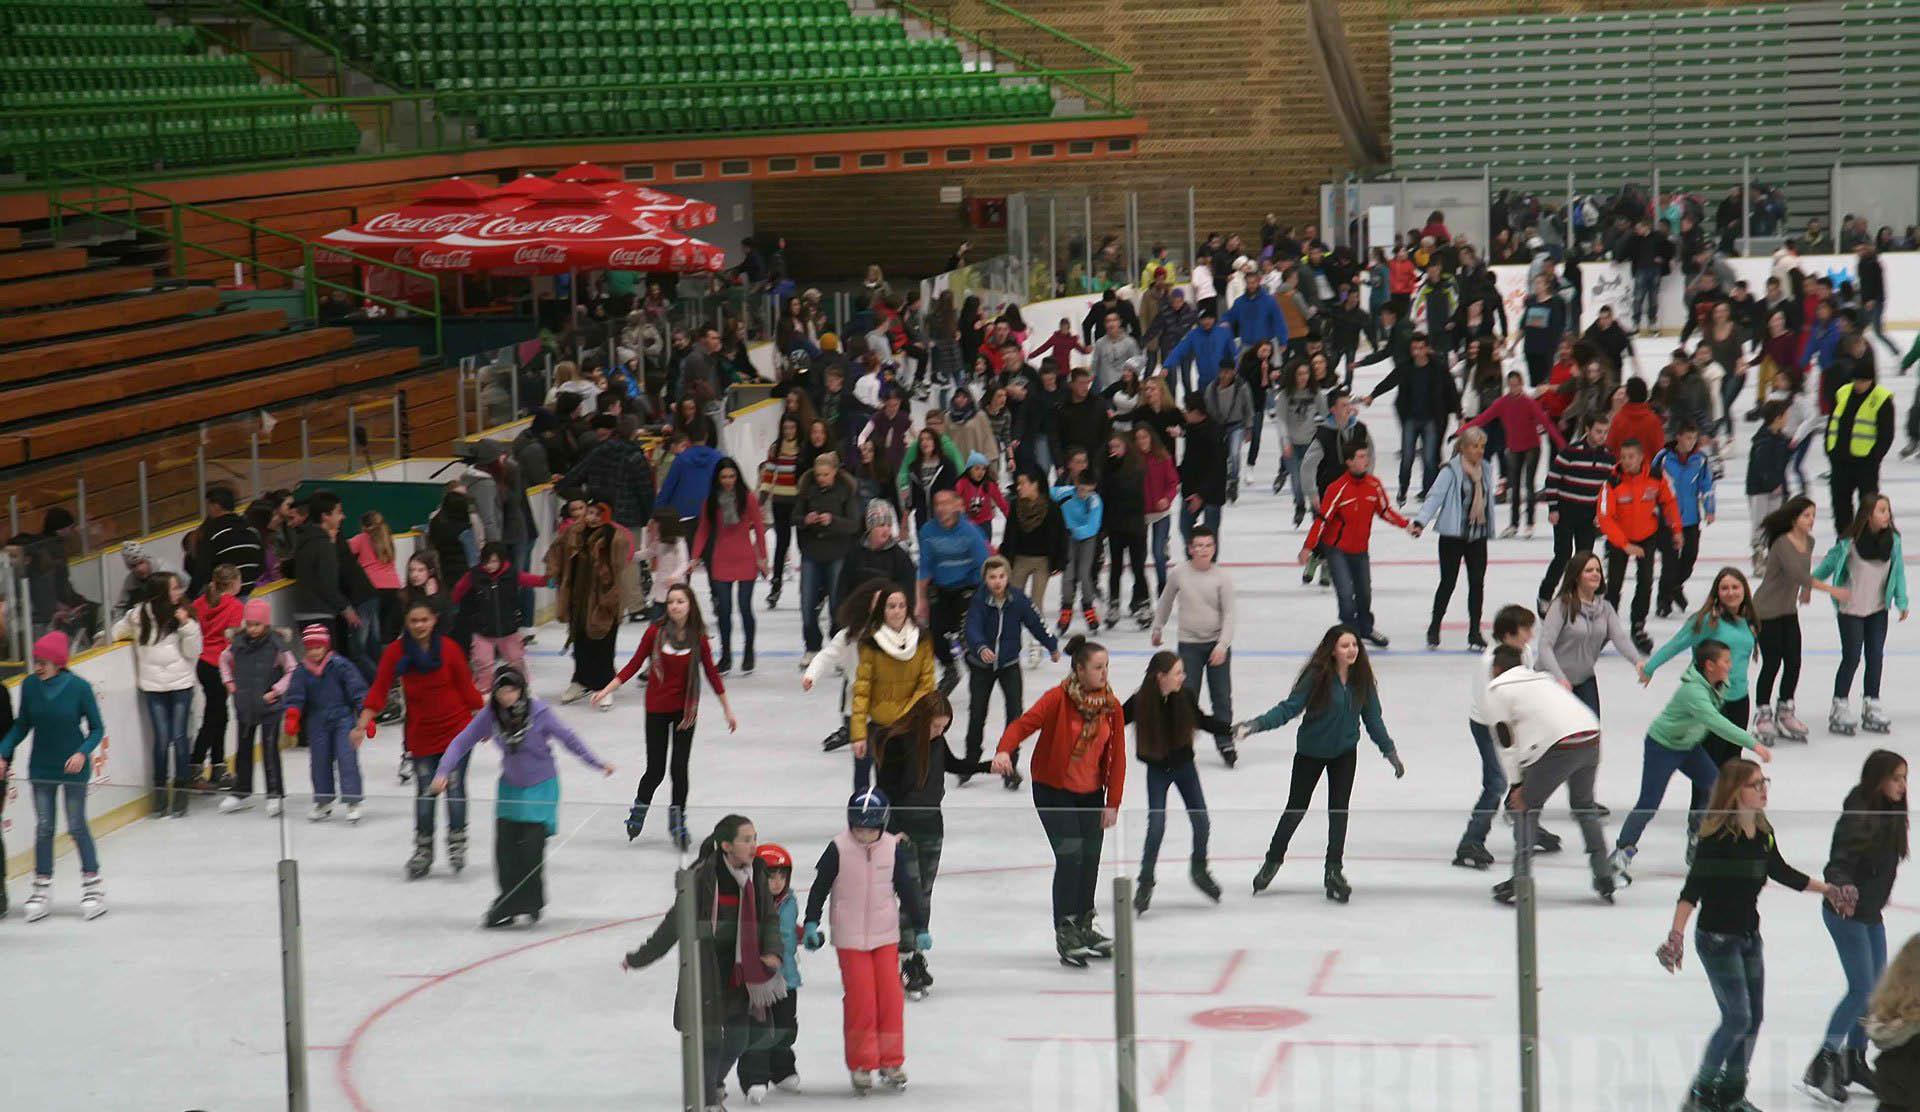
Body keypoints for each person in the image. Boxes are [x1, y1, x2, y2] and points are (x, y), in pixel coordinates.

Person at [1659, 760, 1844, 1112]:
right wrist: (1676, 937)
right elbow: (1691, 891)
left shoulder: (1762, 833)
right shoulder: (1716, 840)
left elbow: (1782, 871)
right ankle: (1700, 1094)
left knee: (1753, 1017)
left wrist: (1828, 890)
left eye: (1764, 782)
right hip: (1716, 939)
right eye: (1755, 784)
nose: (1763, 789)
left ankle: (1730, 1094)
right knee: (1737, 1018)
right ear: (1734, 793)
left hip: (1747, 936)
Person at [622, 815, 788, 1112]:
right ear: (726, 845)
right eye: (746, 839)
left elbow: (769, 920)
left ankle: (710, 1084)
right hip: (707, 972)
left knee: (739, 1039)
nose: (753, 845)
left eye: (755, 837)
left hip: (742, 972)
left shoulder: (756, 875)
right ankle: (708, 1100)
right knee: (710, 1040)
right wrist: (640, 957)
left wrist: (774, 950)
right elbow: (675, 924)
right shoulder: (701, 878)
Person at [1235, 624, 1404, 902]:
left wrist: (1390, 752)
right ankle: (1273, 860)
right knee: (1296, 809)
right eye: (1344, 646)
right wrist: (1254, 725)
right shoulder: (1317, 676)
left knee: (1339, 813)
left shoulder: (1362, 678)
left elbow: (1373, 718)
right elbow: (1288, 708)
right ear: (1332, 650)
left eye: (1354, 645)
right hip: (1311, 753)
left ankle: (1333, 871)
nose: (1351, 650)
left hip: (1344, 754)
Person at [438, 668, 613, 928]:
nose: (506, 697)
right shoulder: (491, 715)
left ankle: (524, 902)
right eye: (501, 691)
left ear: (521, 690)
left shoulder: (539, 712)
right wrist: (443, 770)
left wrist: (597, 763)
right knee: (505, 852)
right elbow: (461, 742)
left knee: (531, 851)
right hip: (510, 789)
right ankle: (513, 901)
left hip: (541, 788)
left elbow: (569, 739)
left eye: (511, 690)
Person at [992, 635, 1127, 968]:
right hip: (1054, 790)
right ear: (1079, 669)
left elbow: (1118, 756)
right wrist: (1003, 750)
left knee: (1091, 858)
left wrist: (1114, 800)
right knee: (1071, 857)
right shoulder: (1057, 699)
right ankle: (1065, 927)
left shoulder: (1111, 707)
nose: (1104, 673)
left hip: (1092, 793)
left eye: (1106, 666)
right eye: (1097, 667)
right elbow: (1022, 725)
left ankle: (1085, 922)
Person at [1610, 641, 1772, 883]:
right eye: (1725, 661)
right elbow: (1716, 722)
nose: (1730, 665)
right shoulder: (1693, 692)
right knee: (1649, 803)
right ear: (1709, 665)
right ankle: (1621, 854)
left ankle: (1699, 837)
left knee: (1715, 787)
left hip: (1688, 746)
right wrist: (1753, 744)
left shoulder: (1720, 684)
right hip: (1662, 747)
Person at [800, 790, 927, 1095]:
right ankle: (861, 1063)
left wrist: (920, 925)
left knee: (891, 997)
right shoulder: (838, 848)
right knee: (861, 1000)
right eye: (859, 828)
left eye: (870, 829)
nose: (864, 834)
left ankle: (891, 1061)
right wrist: (812, 922)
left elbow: (908, 890)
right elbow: (819, 888)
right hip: (850, 936)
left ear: (882, 826)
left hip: (885, 935)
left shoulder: (892, 848)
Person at [1801, 749, 1909, 1101]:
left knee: (1876, 992)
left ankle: (1854, 1059)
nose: (1902, 785)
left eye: (1905, 778)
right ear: (1877, 779)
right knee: (1861, 988)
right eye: (1896, 778)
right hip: (1844, 913)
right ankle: (1823, 1063)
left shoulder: (1891, 811)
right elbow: (1838, 861)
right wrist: (1842, 886)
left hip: (1870, 912)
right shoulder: (1859, 814)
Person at [599, 583, 736, 849]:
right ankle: (639, 810)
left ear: (690, 605)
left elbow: (711, 673)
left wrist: (727, 709)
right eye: (671, 601)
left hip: (686, 711)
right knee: (656, 769)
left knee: (679, 768)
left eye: (680, 601)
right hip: (657, 709)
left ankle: (677, 820)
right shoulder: (655, 632)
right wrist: (608, 688)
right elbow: (635, 664)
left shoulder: (698, 637)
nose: (674, 606)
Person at [1481, 641, 1615, 905]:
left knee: (1525, 808)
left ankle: (1521, 880)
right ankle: (1603, 874)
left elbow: (1506, 741)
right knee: (1584, 805)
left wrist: (1517, 785)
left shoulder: (1497, 690)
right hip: (1590, 734)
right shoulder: (1542, 679)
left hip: (1558, 746)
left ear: (1496, 668)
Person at [869, 694, 984, 999]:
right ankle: (905, 957)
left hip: (933, 825)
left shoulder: (936, 742)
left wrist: (988, 767)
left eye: (944, 728)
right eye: (935, 726)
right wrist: (891, 830)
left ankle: (916, 954)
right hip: (903, 829)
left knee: (923, 894)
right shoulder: (897, 742)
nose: (939, 732)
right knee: (909, 892)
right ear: (922, 720)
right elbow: (885, 789)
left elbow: (954, 764)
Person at [360, 600, 484, 875]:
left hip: (457, 732)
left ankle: (457, 843)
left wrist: (484, 722)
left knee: (454, 788)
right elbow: (379, 688)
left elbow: (467, 688)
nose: (419, 626)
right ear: (407, 622)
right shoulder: (396, 652)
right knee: (426, 792)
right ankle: (423, 849)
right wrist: (362, 723)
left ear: (434, 620)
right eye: (414, 621)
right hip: (422, 734)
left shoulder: (450, 650)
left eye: (424, 620)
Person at [0, 632, 105, 922]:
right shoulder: (31, 686)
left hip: (73, 767)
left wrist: (83, 752)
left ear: (58, 662)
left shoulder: (79, 688)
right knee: (44, 827)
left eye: (43, 661)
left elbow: (97, 728)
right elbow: (23, 724)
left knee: (76, 825)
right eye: (35, 661)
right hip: (41, 768)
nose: (37, 666)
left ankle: (92, 884)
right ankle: (42, 887)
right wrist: (3, 751)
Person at [1124, 651, 1230, 914]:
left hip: (1185, 768)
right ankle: (1145, 881)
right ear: (1161, 677)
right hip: (1158, 771)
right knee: (1157, 825)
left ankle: (1199, 868)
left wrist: (1230, 729)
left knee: (1201, 821)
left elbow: (1202, 720)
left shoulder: (1185, 696)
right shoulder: (1140, 701)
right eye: (1177, 673)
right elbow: (1113, 722)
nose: (1183, 677)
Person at [1640, 568, 1761, 766]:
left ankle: (1726, 798)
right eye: (1724, 588)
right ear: (1717, 593)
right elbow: (1677, 643)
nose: (1730, 592)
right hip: (1712, 701)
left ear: (1744, 590)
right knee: (1709, 766)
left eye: (1735, 587)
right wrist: (1650, 667)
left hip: (1740, 699)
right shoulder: (1708, 620)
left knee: (1732, 762)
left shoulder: (1748, 619)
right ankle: (1704, 799)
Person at [1752, 496, 1849, 743]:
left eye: (1813, 515)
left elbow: (1801, 572)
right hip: (1766, 610)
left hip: (1787, 610)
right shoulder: (1782, 543)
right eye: (1806, 515)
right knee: (1772, 662)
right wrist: (1832, 590)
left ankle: (1785, 710)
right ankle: (1763, 713)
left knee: (1794, 661)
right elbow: (1798, 574)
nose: (1811, 520)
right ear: (1794, 518)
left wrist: (1804, 591)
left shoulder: (1810, 541)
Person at [1301, 442, 1412, 649]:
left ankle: (1366, 629)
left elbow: (1385, 511)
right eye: (1360, 457)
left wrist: (1406, 525)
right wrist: (1308, 547)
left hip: (1360, 550)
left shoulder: (1374, 485)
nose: (1365, 461)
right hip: (1337, 550)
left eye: (1366, 456)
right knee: (1345, 594)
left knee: (1364, 593)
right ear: (1349, 462)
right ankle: (1350, 633)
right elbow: (1323, 519)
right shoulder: (1337, 488)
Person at [1816, 492, 1908, 735]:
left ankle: (1871, 701)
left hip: (1878, 609)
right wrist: (1808, 583)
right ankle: (1840, 704)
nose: (1887, 514)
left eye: (1887, 510)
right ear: (1867, 516)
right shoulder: (1850, 543)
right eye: (1881, 510)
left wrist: (1901, 600)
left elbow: (1897, 572)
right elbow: (1828, 565)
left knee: (1875, 656)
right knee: (1852, 657)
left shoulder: (1893, 541)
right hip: (1851, 610)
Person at [113, 572, 202, 818]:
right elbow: (116, 632)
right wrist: (103, 640)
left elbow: (194, 651)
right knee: (162, 740)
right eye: (174, 588)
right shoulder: (138, 616)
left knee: (179, 736)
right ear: (161, 592)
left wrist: (186, 626)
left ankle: (182, 791)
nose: (179, 592)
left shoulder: (184, 614)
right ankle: (161, 793)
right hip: (153, 688)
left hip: (181, 685)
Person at [1150, 525, 1237, 766]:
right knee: (1185, 696)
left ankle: (1225, 740)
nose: (1203, 550)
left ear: (1214, 548)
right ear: (1190, 548)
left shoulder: (1222, 577)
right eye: (1198, 546)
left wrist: (1222, 645)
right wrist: (1158, 627)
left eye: (1208, 545)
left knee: (1221, 696)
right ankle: (1181, 741)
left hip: (1215, 644)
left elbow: (1230, 614)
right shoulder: (1180, 574)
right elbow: (1166, 600)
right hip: (1189, 644)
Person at [962, 556, 1058, 770]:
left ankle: (1010, 763)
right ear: (985, 579)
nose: (997, 581)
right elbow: (972, 628)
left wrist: (1051, 644)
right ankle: (971, 759)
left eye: (1002, 576)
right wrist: (981, 647)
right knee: (977, 713)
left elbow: (1036, 622)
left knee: (1015, 715)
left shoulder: (1018, 600)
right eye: (992, 577)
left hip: (1009, 664)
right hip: (981, 666)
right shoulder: (979, 600)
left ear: (1008, 577)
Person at [1410, 427, 1495, 650]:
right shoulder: (1451, 470)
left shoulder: (1485, 469)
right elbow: (1434, 497)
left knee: (1477, 583)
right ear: (1464, 448)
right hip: (1453, 535)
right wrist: (1420, 521)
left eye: (1482, 447)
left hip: (1477, 534)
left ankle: (1475, 631)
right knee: (1448, 582)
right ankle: (1435, 626)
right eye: (1475, 446)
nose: (1479, 451)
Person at [1597, 438, 1682, 654]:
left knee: (1645, 582)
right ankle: (1607, 628)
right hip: (1620, 539)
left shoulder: (1656, 476)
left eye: (1631, 457)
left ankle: (1638, 626)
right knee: (1613, 585)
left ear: (1641, 457)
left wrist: (1677, 529)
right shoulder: (1612, 482)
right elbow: (1605, 517)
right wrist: (1624, 544)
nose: (1626, 461)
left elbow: (1669, 502)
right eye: (1623, 457)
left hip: (1647, 537)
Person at [1536, 551, 1645, 719]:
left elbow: (1620, 639)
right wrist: (1559, 678)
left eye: (1598, 570)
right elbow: (1545, 646)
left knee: (1591, 732)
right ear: (1576, 576)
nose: (1595, 574)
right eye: (1588, 570)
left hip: (1584, 679)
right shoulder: (1561, 606)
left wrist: (1637, 661)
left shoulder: (1605, 609)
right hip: (1552, 680)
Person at [849, 585, 936, 793]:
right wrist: (859, 734)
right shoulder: (870, 643)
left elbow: (927, 684)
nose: (897, 611)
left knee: (910, 785)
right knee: (883, 786)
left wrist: (906, 715)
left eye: (901, 606)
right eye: (891, 606)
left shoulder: (922, 639)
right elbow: (861, 692)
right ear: (882, 610)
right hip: (881, 728)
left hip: (911, 726)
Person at [1461, 371, 1568, 538]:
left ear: (1521, 384)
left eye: (1516, 385)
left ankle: (1530, 524)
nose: (1514, 388)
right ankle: (1514, 524)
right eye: (1511, 385)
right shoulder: (1502, 403)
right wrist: (1461, 431)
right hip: (1513, 448)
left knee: (1529, 484)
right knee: (1515, 486)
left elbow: (1546, 423)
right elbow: (1482, 418)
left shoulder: (1529, 402)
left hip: (1532, 447)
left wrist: (1562, 445)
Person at [283, 622, 370, 825]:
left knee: (346, 758)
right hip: (317, 721)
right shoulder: (302, 670)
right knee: (319, 761)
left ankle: (353, 801)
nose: (314, 652)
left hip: (343, 719)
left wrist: (366, 716)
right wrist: (293, 715)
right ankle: (323, 800)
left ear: (327, 646)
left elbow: (357, 689)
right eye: (310, 648)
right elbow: (295, 694)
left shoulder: (340, 665)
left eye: (318, 647)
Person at [547, 501, 633, 702]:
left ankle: (604, 685)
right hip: (579, 595)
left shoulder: (614, 536)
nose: (592, 517)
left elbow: (619, 566)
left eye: (597, 514)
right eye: (590, 512)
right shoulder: (574, 532)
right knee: (580, 639)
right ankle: (580, 680)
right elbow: (555, 551)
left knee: (603, 640)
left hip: (604, 597)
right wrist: (554, 572)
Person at [1361, 333, 1461, 507]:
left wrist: (1459, 414)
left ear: (1427, 348)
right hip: (1410, 419)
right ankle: (1403, 488)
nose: (1418, 352)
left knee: (1430, 458)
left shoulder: (1438, 368)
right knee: (1407, 457)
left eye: (1421, 348)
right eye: (1414, 349)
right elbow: (1390, 381)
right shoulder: (1406, 367)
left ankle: (1429, 492)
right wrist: (1373, 395)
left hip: (1431, 419)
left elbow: (1451, 390)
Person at [691, 457, 770, 676]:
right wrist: (694, 556)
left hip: (745, 558)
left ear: (737, 476)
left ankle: (748, 651)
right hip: (721, 559)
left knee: (745, 607)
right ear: (718, 478)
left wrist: (762, 556)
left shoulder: (748, 498)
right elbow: (703, 530)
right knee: (723, 611)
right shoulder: (711, 501)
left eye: (732, 476)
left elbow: (760, 528)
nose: (728, 481)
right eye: (724, 477)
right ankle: (725, 656)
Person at [737, 842, 803, 1102]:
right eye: (770, 876)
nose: (776, 882)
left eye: (781, 876)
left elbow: (787, 929)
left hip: (786, 979)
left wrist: (804, 936)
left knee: (786, 1027)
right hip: (758, 981)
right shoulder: (747, 904)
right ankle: (754, 1079)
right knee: (759, 1030)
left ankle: (781, 1070)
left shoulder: (789, 902)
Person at [218, 598, 294, 816]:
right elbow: (223, 660)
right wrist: (230, 684)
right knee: (243, 748)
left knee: (270, 750)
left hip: (270, 706)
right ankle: (240, 791)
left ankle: (275, 794)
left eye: (256, 624)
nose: (252, 629)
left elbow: (292, 669)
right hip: (245, 704)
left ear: (266, 624)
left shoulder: (277, 645)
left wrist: (277, 691)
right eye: (249, 624)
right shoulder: (238, 643)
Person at [794, 452, 863, 663]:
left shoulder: (847, 493)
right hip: (811, 553)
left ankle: (838, 646)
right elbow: (794, 517)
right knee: (807, 603)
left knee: (837, 604)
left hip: (837, 553)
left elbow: (854, 524)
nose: (821, 478)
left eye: (825, 474)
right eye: (818, 474)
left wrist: (832, 521)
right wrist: (806, 519)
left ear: (835, 472)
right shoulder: (806, 492)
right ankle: (812, 646)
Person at [452, 542, 546, 687]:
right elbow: (459, 589)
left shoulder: (512, 574)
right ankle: (484, 692)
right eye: (486, 562)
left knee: (516, 661)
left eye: (494, 561)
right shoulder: (474, 575)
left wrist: (547, 581)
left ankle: (522, 688)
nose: (489, 565)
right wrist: (453, 604)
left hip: (508, 629)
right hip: (482, 630)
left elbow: (531, 580)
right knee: (483, 663)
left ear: (502, 560)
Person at [1652, 423, 1717, 619]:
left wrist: (1710, 509)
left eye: (1693, 438)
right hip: (1667, 520)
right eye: (1688, 437)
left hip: (1690, 518)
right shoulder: (1663, 458)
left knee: (1689, 558)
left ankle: (1674, 587)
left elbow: (1707, 486)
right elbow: (1651, 482)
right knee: (1670, 562)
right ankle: (1664, 600)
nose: (1691, 442)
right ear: (1678, 437)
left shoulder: (1701, 460)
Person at [188, 564, 242, 788]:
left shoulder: (199, 604)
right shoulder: (235, 606)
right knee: (214, 717)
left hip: (204, 663)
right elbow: (233, 641)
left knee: (219, 716)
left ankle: (218, 766)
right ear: (233, 584)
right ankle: (195, 766)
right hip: (221, 666)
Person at [1827, 360, 1896, 533]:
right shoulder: (1842, 393)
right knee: (1840, 505)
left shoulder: (1881, 399)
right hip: (1840, 461)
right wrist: (1830, 451)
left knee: (1868, 506)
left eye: (1862, 381)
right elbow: (1831, 423)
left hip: (1866, 464)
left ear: (1871, 380)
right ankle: (1844, 540)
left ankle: (1866, 540)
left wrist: (1874, 457)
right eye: (1856, 380)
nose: (1858, 385)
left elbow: (1886, 434)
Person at [1099, 433, 1151, 625]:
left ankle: (1144, 604)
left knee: (1138, 567)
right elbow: (1104, 496)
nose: (1113, 451)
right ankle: (1114, 604)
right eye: (1111, 447)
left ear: (1126, 447)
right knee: (1116, 568)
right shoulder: (1106, 469)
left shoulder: (1135, 468)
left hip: (1135, 526)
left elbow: (1130, 494)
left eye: (1117, 447)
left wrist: (1112, 474)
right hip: (1115, 527)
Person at [1051, 470, 1105, 635]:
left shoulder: (1095, 501)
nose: (1084, 494)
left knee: (1084, 573)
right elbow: (1045, 494)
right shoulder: (1064, 493)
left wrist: (1070, 529)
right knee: (1068, 574)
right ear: (1076, 484)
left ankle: (1088, 606)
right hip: (1069, 538)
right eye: (1081, 490)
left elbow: (1092, 527)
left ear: (1093, 488)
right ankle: (1066, 607)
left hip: (1087, 539)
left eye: (1088, 491)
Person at [1746, 401, 1792, 573]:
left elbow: (1782, 464)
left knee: (1775, 523)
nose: (1787, 418)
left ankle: (1773, 559)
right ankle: (1758, 556)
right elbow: (1761, 466)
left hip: (1775, 488)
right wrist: (1772, 484)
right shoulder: (1763, 440)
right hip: (1760, 490)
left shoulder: (1780, 439)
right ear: (1777, 418)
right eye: (1785, 415)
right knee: (1760, 522)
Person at [1178, 394, 1228, 541]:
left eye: (1186, 410)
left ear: (1196, 412)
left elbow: (1218, 468)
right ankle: (1194, 559)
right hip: (1191, 489)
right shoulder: (1191, 430)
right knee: (1184, 526)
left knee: (1210, 536)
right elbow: (1189, 462)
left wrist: (1201, 494)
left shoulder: (1214, 432)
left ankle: (1208, 562)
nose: (1184, 414)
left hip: (1211, 493)